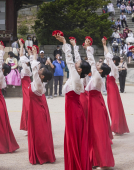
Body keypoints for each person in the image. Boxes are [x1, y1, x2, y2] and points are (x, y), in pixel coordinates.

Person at [54, 34, 91, 170]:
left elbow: (70, 61)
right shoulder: (78, 76)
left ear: (79, 69)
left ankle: (76, 165)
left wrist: (65, 43)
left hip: (74, 113)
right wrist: (74, 46)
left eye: (77, 65)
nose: (75, 63)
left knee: (73, 138)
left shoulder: (76, 77)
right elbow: (76, 60)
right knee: (74, 138)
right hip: (74, 110)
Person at [82, 37, 114, 168]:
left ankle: (102, 160)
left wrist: (89, 48)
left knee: (98, 133)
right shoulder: (96, 77)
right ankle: (95, 159)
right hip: (95, 105)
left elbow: (90, 60)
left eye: (98, 65)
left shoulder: (97, 76)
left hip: (96, 107)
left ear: (100, 70)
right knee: (94, 133)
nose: (96, 65)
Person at [27, 45, 56, 165]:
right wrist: (31, 54)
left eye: (41, 70)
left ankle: (42, 154)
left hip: (37, 111)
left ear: (42, 76)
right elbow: (33, 66)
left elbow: (34, 67)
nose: (39, 69)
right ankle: (42, 153)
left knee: (39, 133)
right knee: (39, 132)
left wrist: (35, 54)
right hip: (36, 109)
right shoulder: (38, 81)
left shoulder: (38, 82)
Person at [103, 38, 129, 135]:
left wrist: (105, 45)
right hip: (110, 89)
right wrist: (104, 45)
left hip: (113, 89)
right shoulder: (110, 67)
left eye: (110, 60)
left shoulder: (113, 68)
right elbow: (107, 58)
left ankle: (116, 127)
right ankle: (117, 126)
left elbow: (108, 56)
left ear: (113, 61)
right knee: (112, 107)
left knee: (114, 108)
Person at [19, 45, 32, 132]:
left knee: (28, 106)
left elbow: (21, 57)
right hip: (25, 87)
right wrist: (21, 46)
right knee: (25, 106)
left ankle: (31, 126)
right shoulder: (25, 69)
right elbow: (21, 56)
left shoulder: (27, 69)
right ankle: (27, 127)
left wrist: (21, 46)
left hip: (27, 87)